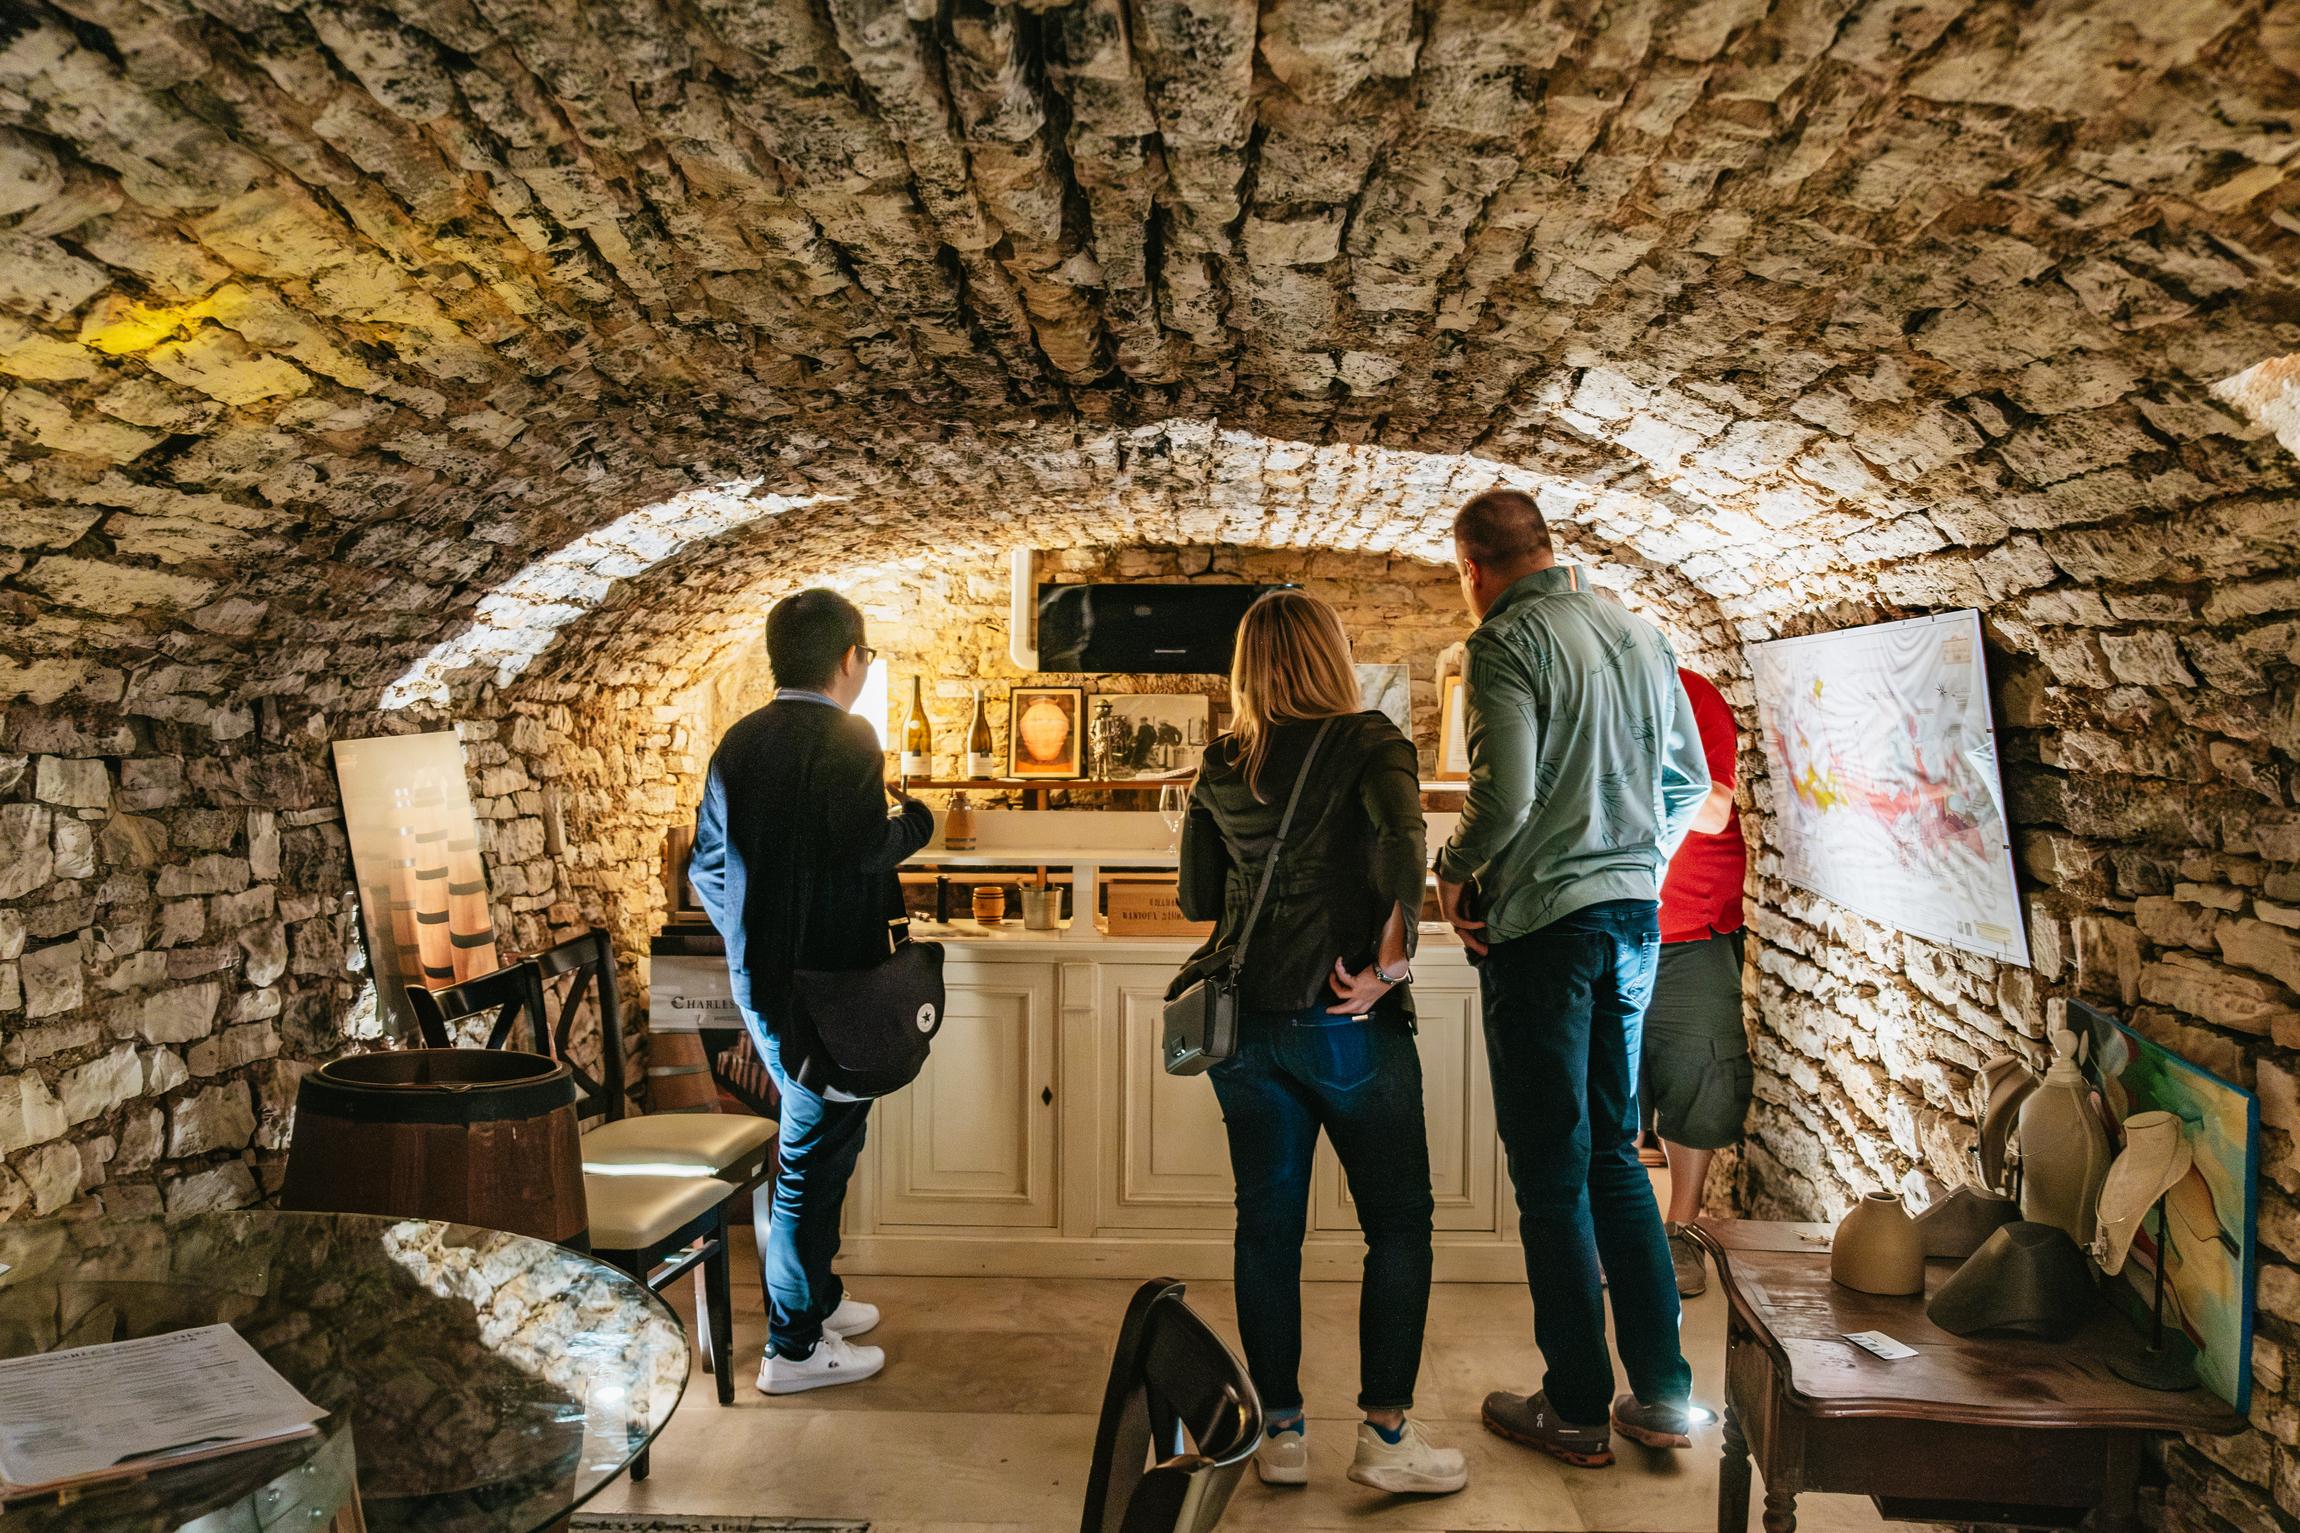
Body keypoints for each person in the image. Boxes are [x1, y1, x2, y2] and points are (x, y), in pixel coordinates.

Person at [1432, 489, 1711, 1469]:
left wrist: (1452, 869)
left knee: (1551, 1170)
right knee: (1612, 1155)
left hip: (1545, 932)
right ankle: (1664, 1396)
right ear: (1548, 548)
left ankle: (1577, 1406)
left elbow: (1504, 796)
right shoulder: (1641, 633)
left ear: (1472, 570)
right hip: (1633, 922)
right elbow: (1687, 783)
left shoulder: (1504, 643)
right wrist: (1634, 864)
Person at [1176, 590, 1467, 1497]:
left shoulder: (1223, 762)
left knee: (1267, 1228)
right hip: (1348, 1018)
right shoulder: (1371, 739)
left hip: (1246, 1031)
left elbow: (1196, 898)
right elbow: (1404, 837)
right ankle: (1385, 1435)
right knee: (1398, 1223)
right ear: (1331, 656)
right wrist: (1391, 962)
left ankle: (1282, 1432)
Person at [689, 588, 932, 1394]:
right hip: (832, 989)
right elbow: (865, 849)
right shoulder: (849, 736)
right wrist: (919, 825)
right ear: (850, 658)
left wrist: (749, 938)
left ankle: (817, 1299)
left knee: (827, 1142)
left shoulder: (738, 742)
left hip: (765, 985)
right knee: (810, 1161)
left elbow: (705, 868)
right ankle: (792, 1346)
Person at [1644, 667, 1750, 1298]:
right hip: (1601, 923)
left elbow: (1712, 812)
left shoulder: (1688, 694)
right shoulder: (1570, 695)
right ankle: (1614, 1231)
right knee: (1607, 1088)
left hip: (1692, 927)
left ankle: (1679, 1230)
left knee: (1700, 1078)